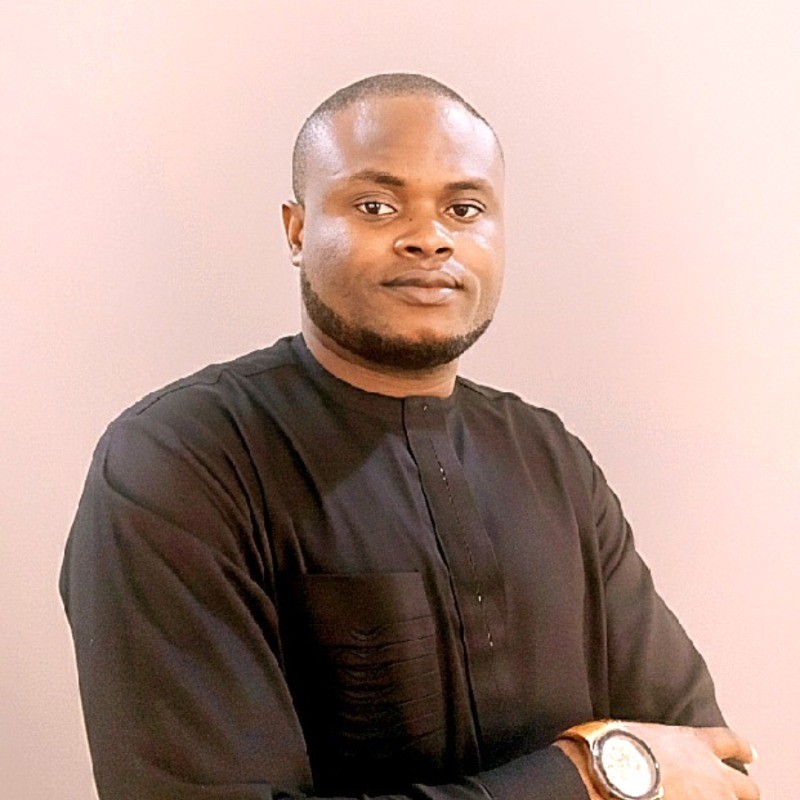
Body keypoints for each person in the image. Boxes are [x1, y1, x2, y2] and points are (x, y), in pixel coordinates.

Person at [60, 73, 760, 800]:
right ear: (297, 231)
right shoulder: (178, 462)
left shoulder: (550, 458)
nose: (429, 238)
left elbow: (710, 766)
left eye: (464, 209)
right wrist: (586, 775)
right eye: (376, 205)